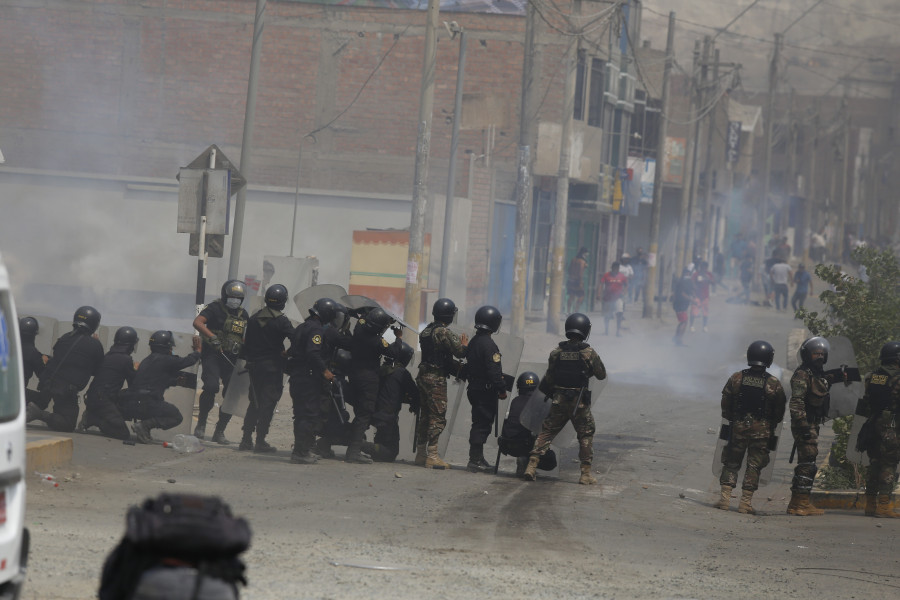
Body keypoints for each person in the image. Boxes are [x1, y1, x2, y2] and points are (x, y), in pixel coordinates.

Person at [523, 313, 606, 484]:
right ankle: (585, 474)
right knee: (586, 434)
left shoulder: (556, 353)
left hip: (559, 401)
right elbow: (601, 374)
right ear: (585, 330)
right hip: (579, 403)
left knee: (546, 432)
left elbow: (549, 379)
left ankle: (531, 466)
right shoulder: (588, 353)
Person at [714, 341, 787, 514]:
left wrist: (732, 419)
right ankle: (745, 503)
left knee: (731, 462)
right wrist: (770, 424)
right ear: (769, 359)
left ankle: (724, 500)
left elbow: (726, 402)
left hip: (738, 428)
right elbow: (780, 409)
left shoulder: (737, 377)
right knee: (754, 466)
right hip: (762, 432)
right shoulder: (773, 383)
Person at [787, 336, 850, 515]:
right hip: (805, 424)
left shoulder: (816, 373)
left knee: (808, 462)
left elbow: (823, 382)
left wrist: (840, 375)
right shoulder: (802, 375)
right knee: (808, 463)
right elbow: (796, 403)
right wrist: (804, 427)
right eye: (816, 354)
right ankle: (801, 504)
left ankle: (796, 503)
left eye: (822, 354)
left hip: (812, 422)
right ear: (808, 355)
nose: (820, 357)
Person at [27, 306, 104, 432]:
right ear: (94, 324)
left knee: (41, 401)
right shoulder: (95, 345)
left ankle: (22, 400)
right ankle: (38, 414)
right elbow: (97, 370)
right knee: (67, 424)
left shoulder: (65, 337)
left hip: (47, 384)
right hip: (65, 391)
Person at [239, 284, 294, 453]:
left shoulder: (254, 318)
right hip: (272, 368)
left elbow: (245, 344)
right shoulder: (282, 321)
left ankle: (245, 439)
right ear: (283, 302)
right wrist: (288, 352)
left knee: (254, 403)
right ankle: (260, 440)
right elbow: (297, 339)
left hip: (255, 368)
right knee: (267, 405)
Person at [192, 280, 250, 444]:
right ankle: (201, 424)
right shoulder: (215, 308)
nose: (235, 300)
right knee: (211, 386)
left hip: (232, 358)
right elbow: (198, 322)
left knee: (232, 395)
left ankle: (220, 430)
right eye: (232, 297)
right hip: (213, 355)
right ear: (225, 295)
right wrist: (212, 337)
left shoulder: (243, 315)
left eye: (238, 298)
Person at [414, 298, 468, 469]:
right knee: (437, 416)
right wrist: (465, 345)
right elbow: (460, 351)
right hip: (436, 379)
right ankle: (433, 456)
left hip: (423, 376)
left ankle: (420, 454)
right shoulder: (443, 332)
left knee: (425, 415)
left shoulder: (426, 331)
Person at [123, 330, 202, 444]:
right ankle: (144, 426)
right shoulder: (166, 359)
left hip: (133, 402)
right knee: (176, 416)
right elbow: (187, 361)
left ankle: (144, 429)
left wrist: (175, 381)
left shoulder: (148, 360)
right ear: (167, 346)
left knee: (154, 404)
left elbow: (157, 380)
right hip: (148, 402)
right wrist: (197, 351)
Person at [346, 307, 402, 464]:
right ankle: (354, 451)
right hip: (368, 380)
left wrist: (379, 318)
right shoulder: (377, 341)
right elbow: (394, 352)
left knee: (359, 412)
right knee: (364, 414)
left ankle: (353, 446)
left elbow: (362, 318)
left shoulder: (359, 329)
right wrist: (398, 337)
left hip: (354, 375)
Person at [286, 297, 338, 465]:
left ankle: (300, 450)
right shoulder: (316, 330)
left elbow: (292, 350)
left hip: (296, 377)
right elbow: (313, 353)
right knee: (309, 416)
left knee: (300, 415)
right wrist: (325, 371)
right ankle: (301, 452)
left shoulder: (302, 326)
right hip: (308, 379)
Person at [857, 342, 900, 518]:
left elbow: (866, 401)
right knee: (888, 463)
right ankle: (884, 506)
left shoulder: (872, 376)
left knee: (874, 462)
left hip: (873, 423)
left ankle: (870, 505)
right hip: (891, 425)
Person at [464, 305, 508, 473]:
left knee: (478, 421)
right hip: (485, 391)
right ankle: (475, 460)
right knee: (482, 424)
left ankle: (478, 457)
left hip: (474, 388)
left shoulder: (474, 341)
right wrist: (502, 389)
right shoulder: (489, 345)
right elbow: (494, 371)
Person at [78, 326, 139, 440]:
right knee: (123, 434)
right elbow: (133, 383)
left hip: (94, 396)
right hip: (103, 399)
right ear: (129, 344)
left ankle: (93, 415)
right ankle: (93, 419)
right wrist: (136, 370)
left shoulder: (108, 355)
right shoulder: (126, 359)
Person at [361, 342, 419, 462]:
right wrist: (415, 404)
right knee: (391, 452)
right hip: (387, 417)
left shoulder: (381, 368)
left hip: (375, 413)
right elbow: (415, 393)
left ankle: (368, 447)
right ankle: (359, 444)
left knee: (382, 446)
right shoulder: (401, 373)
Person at [19, 316, 48, 406]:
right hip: (16, 393)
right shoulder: (33, 353)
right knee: (43, 401)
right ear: (34, 335)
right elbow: (43, 375)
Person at [598, 262, 627, 337]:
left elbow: (626, 285)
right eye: (614, 268)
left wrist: (624, 292)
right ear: (612, 268)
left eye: (617, 268)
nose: (615, 269)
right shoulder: (606, 275)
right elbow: (601, 284)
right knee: (607, 315)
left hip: (618, 298)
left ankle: (617, 332)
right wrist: (599, 294)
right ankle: (606, 330)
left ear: (618, 269)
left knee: (619, 314)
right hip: (608, 298)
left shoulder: (622, 276)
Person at [690, 260, 715, 333]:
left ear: (706, 268)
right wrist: (694, 288)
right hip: (697, 296)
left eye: (705, 268)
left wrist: (709, 279)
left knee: (705, 312)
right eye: (702, 267)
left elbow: (714, 283)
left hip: (705, 296)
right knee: (693, 311)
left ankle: (705, 326)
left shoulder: (709, 274)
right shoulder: (696, 274)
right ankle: (691, 326)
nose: (703, 269)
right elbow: (692, 282)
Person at [671, 268, 694, 346]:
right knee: (684, 322)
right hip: (681, 304)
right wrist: (691, 299)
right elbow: (682, 293)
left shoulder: (681, 281)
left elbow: (674, 293)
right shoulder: (683, 282)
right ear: (687, 274)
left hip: (679, 304)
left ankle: (676, 338)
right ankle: (679, 340)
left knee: (683, 321)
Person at [566, 247, 589, 313]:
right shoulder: (582, 262)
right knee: (581, 296)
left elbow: (569, 269)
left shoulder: (573, 260)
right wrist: (580, 281)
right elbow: (580, 272)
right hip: (577, 280)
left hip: (570, 280)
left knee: (571, 296)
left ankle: (568, 311)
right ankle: (575, 311)